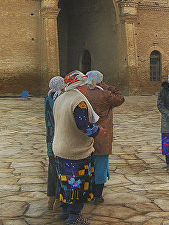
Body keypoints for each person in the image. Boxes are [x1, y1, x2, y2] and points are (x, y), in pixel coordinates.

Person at [52, 71, 101, 225]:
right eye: (85, 84)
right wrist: (99, 131)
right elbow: (84, 127)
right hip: (75, 151)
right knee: (77, 184)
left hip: (59, 148)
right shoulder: (79, 101)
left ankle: (65, 211)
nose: (87, 87)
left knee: (64, 182)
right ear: (79, 85)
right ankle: (74, 216)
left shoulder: (60, 98)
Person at [84, 70, 125, 204]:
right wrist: (108, 87)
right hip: (102, 134)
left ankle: (87, 191)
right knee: (100, 164)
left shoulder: (83, 93)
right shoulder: (105, 94)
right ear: (100, 81)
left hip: (86, 135)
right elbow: (120, 98)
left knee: (87, 165)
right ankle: (97, 195)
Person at [45, 76, 65, 211]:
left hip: (50, 139)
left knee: (52, 170)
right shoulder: (60, 100)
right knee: (60, 171)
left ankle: (50, 199)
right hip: (60, 139)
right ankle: (58, 200)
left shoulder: (48, 98)